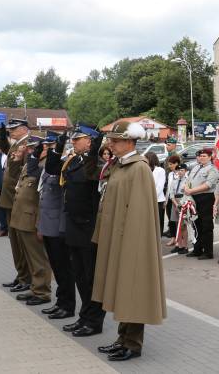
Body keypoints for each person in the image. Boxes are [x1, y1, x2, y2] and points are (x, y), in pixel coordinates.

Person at [92, 120, 166, 361]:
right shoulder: (122, 166)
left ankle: (133, 344)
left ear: (129, 141)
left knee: (132, 289)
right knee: (122, 289)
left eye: (115, 141)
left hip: (131, 240)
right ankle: (123, 338)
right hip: (118, 236)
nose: (110, 145)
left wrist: (130, 242)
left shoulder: (139, 168)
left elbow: (139, 213)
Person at [60, 124, 106, 338]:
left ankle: (94, 320)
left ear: (89, 141)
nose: (73, 142)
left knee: (91, 277)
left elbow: (91, 175)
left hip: (88, 227)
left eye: (77, 139)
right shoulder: (75, 160)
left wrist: (96, 148)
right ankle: (84, 315)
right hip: (74, 226)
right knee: (79, 275)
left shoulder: (94, 163)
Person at [10, 137, 53, 306]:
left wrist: (40, 223)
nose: (28, 151)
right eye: (28, 149)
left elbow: (44, 198)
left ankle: (42, 291)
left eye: (32, 148)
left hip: (32, 218)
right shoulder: (31, 164)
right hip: (21, 217)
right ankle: (35, 287)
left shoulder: (45, 166)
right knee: (28, 256)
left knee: (38, 258)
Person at [38, 133, 76, 320]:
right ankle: (60, 301)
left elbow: (63, 201)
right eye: (46, 145)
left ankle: (67, 305)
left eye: (51, 144)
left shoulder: (64, 164)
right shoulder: (50, 164)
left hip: (57, 226)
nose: (47, 147)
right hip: (47, 224)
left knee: (64, 268)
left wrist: (62, 228)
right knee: (56, 267)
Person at [0, 119, 32, 292]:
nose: (11, 131)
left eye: (14, 128)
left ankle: (27, 277)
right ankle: (21, 275)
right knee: (15, 243)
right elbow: (4, 147)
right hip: (10, 199)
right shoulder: (16, 144)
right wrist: (1, 132)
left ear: (24, 129)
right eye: (9, 129)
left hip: (18, 199)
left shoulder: (27, 145)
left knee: (21, 242)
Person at [184, 148, 219, 260]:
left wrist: (191, 191)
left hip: (205, 198)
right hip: (194, 198)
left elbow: (208, 185)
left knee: (206, 225)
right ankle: (197, 249)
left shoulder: (212, 169)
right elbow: (188, 181)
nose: (202, 157)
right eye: (201, 156)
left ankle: (208, 252)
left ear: (210, 157)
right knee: (196, 225)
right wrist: (186, 188)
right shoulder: (196, 167)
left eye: (204, 156)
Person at [169, 163, 189, 254]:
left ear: (185, 171)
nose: (180, 172)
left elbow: (187, 194)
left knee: (183, 226)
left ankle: (185, 246)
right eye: (178, 170)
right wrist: (176, 204)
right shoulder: (174, 181)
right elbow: (171, 194)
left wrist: (181, 204)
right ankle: (179, 245)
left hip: (183, 202)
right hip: (175, 203)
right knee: (178, 225)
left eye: (182, 170)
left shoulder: (187, 181)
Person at [145, 152, 166, 236]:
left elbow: (160, 187)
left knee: (158, 221)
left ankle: (158, 238)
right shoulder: (145, 169)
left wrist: (150, 197)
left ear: (151, 159)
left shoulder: (160, 170)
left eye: (146, 158)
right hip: (146, 200)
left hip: (157, 200)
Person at [162, 136, 179, 237]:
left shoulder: (176, 156)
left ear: (174, 145)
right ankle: (171, 228)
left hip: (172, 185)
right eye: (166, 145)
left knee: (171, 210)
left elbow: (177, 171)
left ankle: (174, 231)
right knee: (168, 210)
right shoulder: (169, 155)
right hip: (167, 184)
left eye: (169, 145)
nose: (167, 146)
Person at [164, 155, 181, 247]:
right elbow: (168, 188)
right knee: (171, 220)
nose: (169, 166)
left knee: (179, 220)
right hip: (170, 199)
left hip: (178, 200)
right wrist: (166, 200)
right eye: (168, 164)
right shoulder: (170, 174)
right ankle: (173, 238)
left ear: (176, 164)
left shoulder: (181, 173)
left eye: (171, 164)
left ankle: (180, 239)